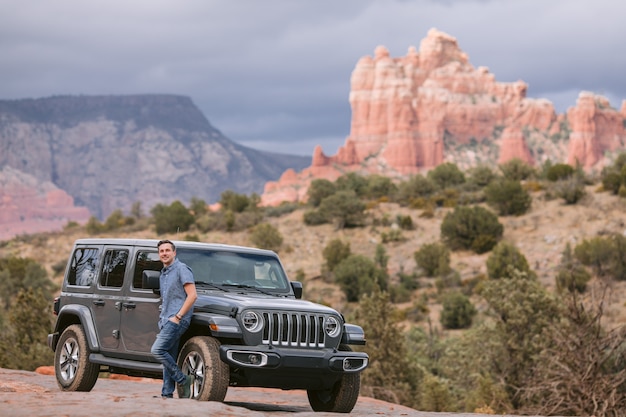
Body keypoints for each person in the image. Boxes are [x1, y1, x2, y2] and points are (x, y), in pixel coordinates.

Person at [150, 239, 198, 399]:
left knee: (157, 350)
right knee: (168, 356)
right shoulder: (164, 273)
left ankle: (183, 379)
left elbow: (193, 295)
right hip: (165, 320)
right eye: (161, 251)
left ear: (174, 252)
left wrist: (178, 316)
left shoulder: (181, 269)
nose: (164, 253)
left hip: (176, 319)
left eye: (167, 250)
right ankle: (167, 394)